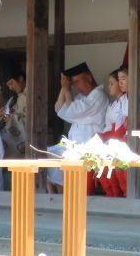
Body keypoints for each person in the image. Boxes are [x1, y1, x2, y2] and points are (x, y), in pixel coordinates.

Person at [46, 62, 108, 194]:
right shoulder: (83, 97)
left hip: (89, 144)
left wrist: (68, 90)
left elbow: (74, 110)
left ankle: (62, 197)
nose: (76, 87)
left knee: (59, 158)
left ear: (89, 78)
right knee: (45, 154)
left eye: (77, 82)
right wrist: (64, 88)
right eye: (73, 84)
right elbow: (61, 109)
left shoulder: (98, 95)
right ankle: (53, 195)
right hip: (74, 144)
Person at [97, 68, 127, 197]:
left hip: (123, 137)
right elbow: (109, 128)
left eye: (112, 83)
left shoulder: (127, 100)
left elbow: (123, 127)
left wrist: (112, 140)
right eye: (117, 81)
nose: (110, 86)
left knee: (115, 162)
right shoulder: (112, 105)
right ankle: (111, 193)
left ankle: (121, 194)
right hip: (115, 136)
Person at [0, 59, 27, 159]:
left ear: (20, 78)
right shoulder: (18, 97)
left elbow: (32, 121)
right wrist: (2, 114)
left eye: (11, 83)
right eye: (8, 85)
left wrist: (12, 118)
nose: (11, 88)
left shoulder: (32, 95)